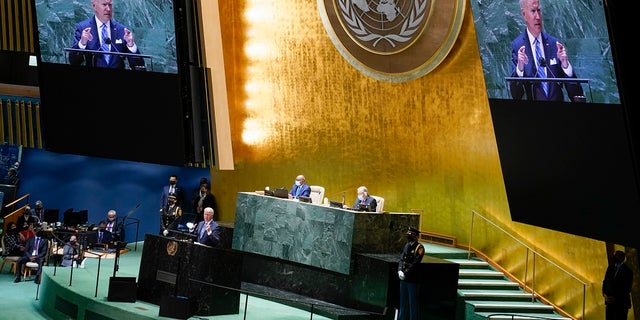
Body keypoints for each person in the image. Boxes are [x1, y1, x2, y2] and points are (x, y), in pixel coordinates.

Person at [509, 0, 584, 102]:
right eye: (533, 11)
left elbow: (576, 93)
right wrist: (520, 68)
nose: (538, 17)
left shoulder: (554, 44)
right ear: (524, 14)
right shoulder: (518, 46)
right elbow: (516, 95)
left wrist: (566, 66)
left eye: (539, 10)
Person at [69, 0, 145, 70]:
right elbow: (74, 61)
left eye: (110, 5)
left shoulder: (122, 30)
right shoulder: (83, 28)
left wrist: (131, 45)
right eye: (104, 4)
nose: (108, 9)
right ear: (94, 5)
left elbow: (138, 65)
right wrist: (82, 43)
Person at [397, 226, 425, 320]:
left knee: (412, 303)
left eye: (412, 235)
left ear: (416, 236)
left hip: (412, 279)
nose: (409, 236)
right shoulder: (407, 245)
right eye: (408, 234)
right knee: (403, 302)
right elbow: (401, 258)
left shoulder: (419, 248)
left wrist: (405, 273)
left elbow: (415, 263)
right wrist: (400, 270)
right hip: (403, 279)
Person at [602, 250, 633, 320]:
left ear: (622, 258)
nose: (614, 257)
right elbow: (605, 282)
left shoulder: (628, 271)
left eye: (616, 255)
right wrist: (605, 295)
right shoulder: (610, 268)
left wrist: (616, 298)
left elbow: (627, 288)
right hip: (609, 303)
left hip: (621, 304)